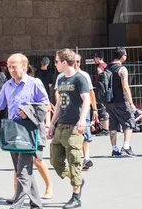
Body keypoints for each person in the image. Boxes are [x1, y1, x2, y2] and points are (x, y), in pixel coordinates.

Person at [0, 53, 50, 209]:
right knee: (22, 170)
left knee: (23, 170)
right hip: (14, 130)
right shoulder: (7, 85)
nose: (10, 70)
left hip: (31, 131)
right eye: (9, 67)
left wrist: (29, 112)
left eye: (14, 66)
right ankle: (36, 204)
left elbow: (46, 106)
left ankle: (17, 205)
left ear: (24, 67)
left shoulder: (35, 83)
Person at [49, 49, 90, 209]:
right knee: (55, 160)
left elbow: (86, 99)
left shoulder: (80, 78)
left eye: (57, 61)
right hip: (61, 125)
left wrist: (82, 119)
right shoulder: (61, 79)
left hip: (74, 126)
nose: (56, 64)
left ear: (64, 62)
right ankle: (77, 179)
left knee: (74, 160)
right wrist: (52, 123)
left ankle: (76, 196)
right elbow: (59, 103)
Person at [106, 47, 137, 157]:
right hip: (120, 100)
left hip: (109, 101)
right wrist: (131, 103)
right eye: (126, 55)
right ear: (122, 56)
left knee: (113, 125)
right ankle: (126, 146)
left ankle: (114, 149)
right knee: (129, 121)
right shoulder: (122, 69)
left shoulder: (106, 68)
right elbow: (125, 87)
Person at [72, 53, 98, 170]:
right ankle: (74, 158)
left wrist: (95, 109)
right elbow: (58, 93)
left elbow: (91, 92)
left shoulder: (84, 75)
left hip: (84, 109)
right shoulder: (62, 76)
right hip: (70, 110)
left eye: (78, 61)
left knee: (85, 131)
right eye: (74, 61)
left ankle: (86, 158)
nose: (76, 64)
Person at [92, 51, 109, 133]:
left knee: (102, 109)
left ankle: (105, 129)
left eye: (94, 58)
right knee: (105, 108)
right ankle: (104, 127)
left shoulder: (99, 68)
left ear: (98, 58)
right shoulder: (106, 66)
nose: (94, 60)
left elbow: (101, 80)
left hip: (101, 91)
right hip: (107, 91)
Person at [35, 57, 53, 126]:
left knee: (38, 107)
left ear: (41, 63)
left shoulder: (37, 72)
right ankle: (48, 123)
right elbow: (50, 85)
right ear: (48, 64)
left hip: (37, 92)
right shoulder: (49, 73)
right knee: (48, 107)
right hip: (46, 92)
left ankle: (40, 122)